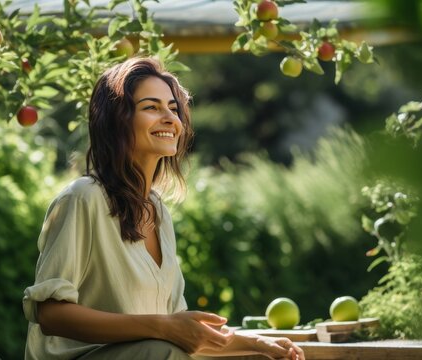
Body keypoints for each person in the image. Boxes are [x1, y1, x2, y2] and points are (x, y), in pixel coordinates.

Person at [22, 57, 305, 360]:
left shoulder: (157, 211)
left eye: (173, 108)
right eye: (151, 107)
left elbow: (181, 334)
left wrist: (261, 346)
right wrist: (163, 327)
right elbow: (50, 313)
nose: (171, 118)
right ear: (118, 119)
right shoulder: (83, 198)